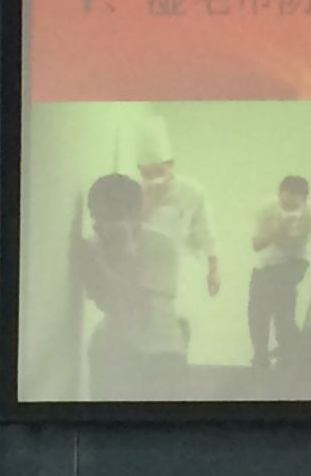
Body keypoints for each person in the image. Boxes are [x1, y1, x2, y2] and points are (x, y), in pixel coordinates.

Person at [77, 173, 188, 399]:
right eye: (95, 216)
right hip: (111, 352)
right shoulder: (95, 246)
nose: (99, 225)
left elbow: (136, 300)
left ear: (134, 214)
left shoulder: (161, 246)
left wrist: (121, 250)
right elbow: (104, 301)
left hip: (161, 355)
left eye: (109, 217)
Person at [135, 114, 222, 299]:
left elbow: (207, 234)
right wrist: (149, 204)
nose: (154, 179)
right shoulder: (135, 193)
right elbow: (130, 235)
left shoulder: (192, 192)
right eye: (147, 174)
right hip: (146, 274)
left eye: (159, 171)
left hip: (182, 274)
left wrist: (213, 271)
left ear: (171, 166)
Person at [248, 174, 311, 369]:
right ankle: (261, 354)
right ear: (279, 195)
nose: (290, 210)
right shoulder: (267, 209)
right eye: (285, 205)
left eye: (294, 206)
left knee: (283, 303)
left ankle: (286, 349)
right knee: (259, 310)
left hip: (294, 263)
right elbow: (256, 244)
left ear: (304, 200)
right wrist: (277, 231)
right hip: (265, 266)